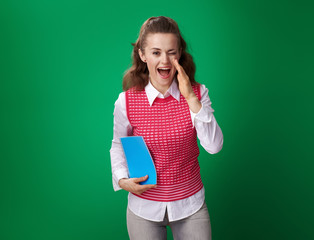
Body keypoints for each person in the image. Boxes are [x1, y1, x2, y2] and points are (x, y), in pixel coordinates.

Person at [110, 16, 223, 240]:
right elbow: (117, 146)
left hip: (191, 205)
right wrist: (122, 179)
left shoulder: (198, 94)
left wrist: (191, 98)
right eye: (156, 52)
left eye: (171, 52)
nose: (165, 60)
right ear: (142, 55)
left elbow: (214, 146)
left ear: (179, 53)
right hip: (143, 209)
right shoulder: (126, 101)